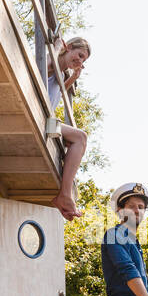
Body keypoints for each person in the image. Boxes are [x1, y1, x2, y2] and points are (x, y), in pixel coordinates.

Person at [47, 36, 90, 221]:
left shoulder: (62, 73)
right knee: (80, 137)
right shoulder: (51, 61)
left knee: (78, 139)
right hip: (41, 114)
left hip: (47, 118)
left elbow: (56, 92)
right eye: (79, 54)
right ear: (69, 47)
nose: (80, 60)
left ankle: (65, 195)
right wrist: (56, 47)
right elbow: (42, 66)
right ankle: (64, 195)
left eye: (84, 59)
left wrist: (73, 77)